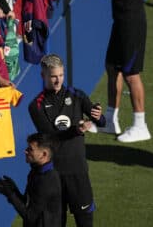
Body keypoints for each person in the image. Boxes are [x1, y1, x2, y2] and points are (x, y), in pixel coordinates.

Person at [28, 54, 105, 227]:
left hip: (78, 171)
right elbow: (50, 136)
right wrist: (76, 130)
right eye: (54, 76)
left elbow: (100, 120)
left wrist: (98, 117)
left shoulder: (77, 95)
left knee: (85, 222)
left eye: (61, 75)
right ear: (43, 76)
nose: (58, 80)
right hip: (54, 176)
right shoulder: (36, 106)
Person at [91, 0, 151, 143]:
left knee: (131, 74)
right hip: (121, 21)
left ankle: (140, 126)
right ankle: (110, 120)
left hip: (131, 25)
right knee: (112, 67)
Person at [0, 133, 61, 227]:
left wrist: (11, 194)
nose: (25, 151)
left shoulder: (47, 181)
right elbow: (28, 204)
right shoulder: (36, 171)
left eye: (30, 149)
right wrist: (13, 190)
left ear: (44, 154)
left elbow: (30, 216)